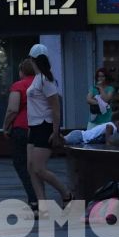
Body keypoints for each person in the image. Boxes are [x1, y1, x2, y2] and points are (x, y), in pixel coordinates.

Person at [23, 44, 74, 207]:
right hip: (35, 127)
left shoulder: (46, 79)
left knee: (38, 168)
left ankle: (66, 193)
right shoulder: (38, 78)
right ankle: (42, 204)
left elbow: (56, 107)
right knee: (31, 168)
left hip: (45, 127)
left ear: (32, 60)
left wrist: (55, 131)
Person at [3, 58, 40, 209]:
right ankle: (42, 196)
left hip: (21, 129)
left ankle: (33, 198)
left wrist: (5, 127)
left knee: (21, 164)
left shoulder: (19, 85)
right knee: (38, 166)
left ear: (22, 71)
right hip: (40, 128)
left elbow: (12, 109)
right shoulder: (42, 84)